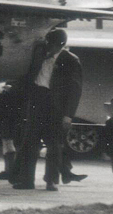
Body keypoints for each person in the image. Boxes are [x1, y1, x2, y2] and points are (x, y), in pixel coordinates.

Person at [11, 28, 84, 191]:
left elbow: (75, 90)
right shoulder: (40, 54)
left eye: (52, 44)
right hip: (37, 100)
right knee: (30, 143)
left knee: (54, 146)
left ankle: (51, 181)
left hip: (56, 106)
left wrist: (68, 115)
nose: (48, 47)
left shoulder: (71, 60)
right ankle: (26, 180)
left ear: (61, 45)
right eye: (47, 43)